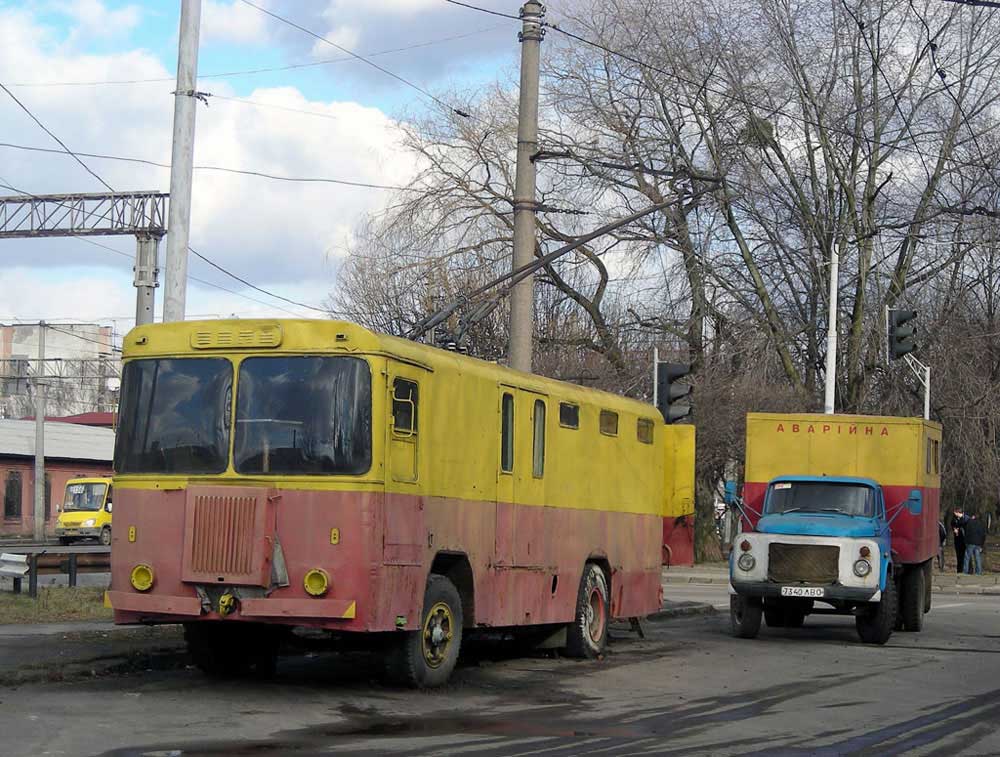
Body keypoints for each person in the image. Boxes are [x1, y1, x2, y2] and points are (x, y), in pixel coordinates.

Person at [952, 507, 968, 574]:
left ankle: (966, 570)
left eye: (955, 513)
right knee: (959, 556)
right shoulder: (954, 519)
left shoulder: (966, 519)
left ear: (958, 512)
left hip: (964, 540)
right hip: (957, 540)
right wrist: (954, 529)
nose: (954, 514)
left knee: (965, 556)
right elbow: (952, 525)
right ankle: (959, 570)